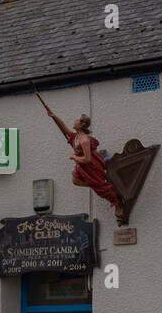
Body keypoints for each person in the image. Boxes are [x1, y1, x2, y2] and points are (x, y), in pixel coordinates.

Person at [37, 92, 125, 222]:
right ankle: (96, 185)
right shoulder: (76, 136)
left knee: (101, 190)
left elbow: (87, 159)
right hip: (82, 166)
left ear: (82, 124)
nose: (75, 121)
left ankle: (117, 202)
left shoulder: (84, 140)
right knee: (76, 180)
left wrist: (74, 157)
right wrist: (53, 116)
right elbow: (64, 129)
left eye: (77, 120)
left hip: (91, 166)